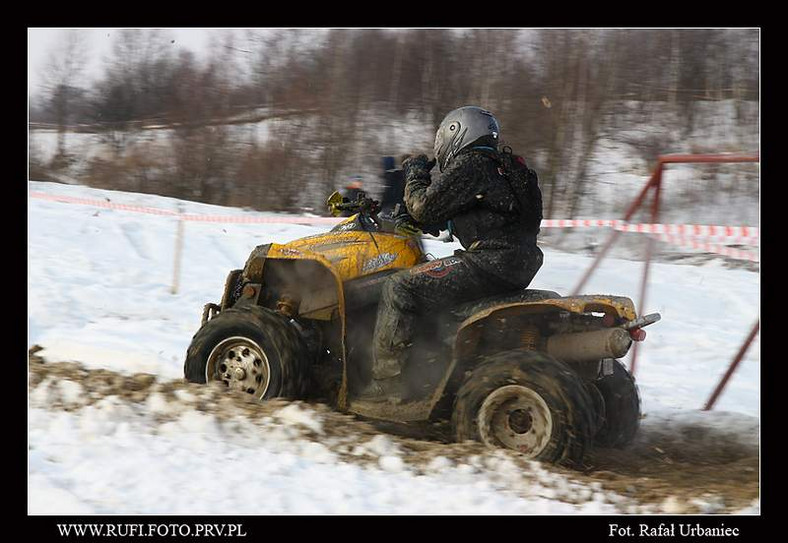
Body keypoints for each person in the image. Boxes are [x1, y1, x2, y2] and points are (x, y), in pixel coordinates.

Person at [358, 105, 544, 402]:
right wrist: (426, 221)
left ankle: (387, 386)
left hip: (488, 262)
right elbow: (488, 215)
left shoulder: (473, 163)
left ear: (456, 133)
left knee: (399, 287)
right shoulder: (510, 168)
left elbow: (422, 205)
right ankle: (432, 365)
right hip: (517, 264)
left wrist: (416, 172)